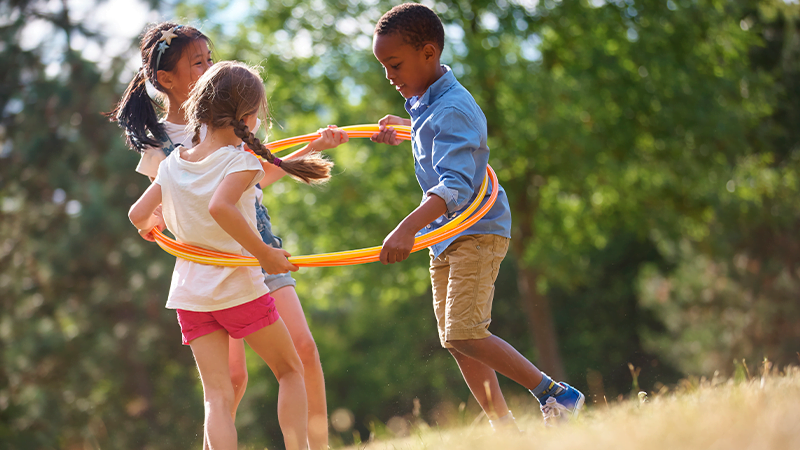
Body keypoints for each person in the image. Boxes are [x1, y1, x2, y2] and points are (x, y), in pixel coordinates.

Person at [107, 23, 340, 449]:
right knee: (238, 378)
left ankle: (319, 443)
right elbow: (197, 205)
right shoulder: (164, 146)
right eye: (199, 62)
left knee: (295, 352)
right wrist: (160, 225)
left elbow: (241, 186)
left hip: (219, 266)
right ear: (165, 78)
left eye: (210, 61)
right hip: (222, 258)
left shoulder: (213, 135)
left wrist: (305, 151)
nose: (209, 68)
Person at [369, 3, 584, 428]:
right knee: (456, 339)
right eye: (384, 67)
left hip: (476, 231)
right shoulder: (428, 102)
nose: (390, 77)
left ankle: (556, 394)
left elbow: (455, 186)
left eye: (395, 65)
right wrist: (406, 124)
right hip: (445, 235)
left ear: (428, 53)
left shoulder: (451, 108)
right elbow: (437, 134)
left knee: (466, 331)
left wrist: (406, 227)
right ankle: (504, 428)